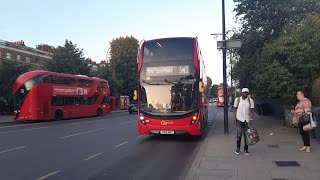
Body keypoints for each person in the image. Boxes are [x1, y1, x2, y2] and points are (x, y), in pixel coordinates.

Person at [233, 88, 254, 155]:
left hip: (247, 120)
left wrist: (251, 119)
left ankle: (246, 149)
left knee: (246, 135)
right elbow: (234, 110)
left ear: (248, 93)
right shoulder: (237, 99)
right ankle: (238, 148)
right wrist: (234, 118)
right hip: (239, 119)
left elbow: (253, 111)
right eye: (244, 92)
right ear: (241, 93)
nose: (245, 93)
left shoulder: (250, 100)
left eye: (246, 92)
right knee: (239, 134)